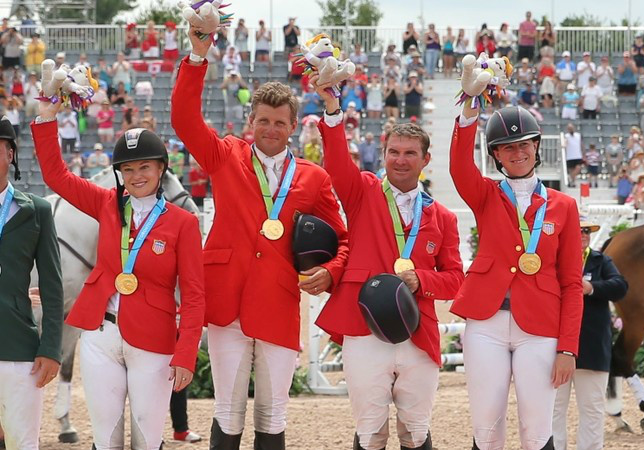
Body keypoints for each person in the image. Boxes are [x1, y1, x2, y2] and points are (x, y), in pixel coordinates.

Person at [171, 27, 349, 449]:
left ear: (292, 127)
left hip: (279, 298)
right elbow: (183, 120)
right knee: (227, 411)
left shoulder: (313, 177)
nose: (271, 129)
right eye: (263, 121)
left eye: (279, 123)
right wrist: (197, 57)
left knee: (273, 413)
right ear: (251, 122)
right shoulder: (225, 153)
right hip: (226, 301)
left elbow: (344, 239)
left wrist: (330, 270)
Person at [33, 101, 205, 449]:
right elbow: (56, 175)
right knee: (105, 436)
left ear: (161, 170)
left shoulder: (183, 223)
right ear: (119, 174)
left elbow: (194, 294)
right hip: (101, 335)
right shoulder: (106, 204)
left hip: (154, 340)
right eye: (128, 169)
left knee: (146, 437)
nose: (136, 175)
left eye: (145, 167)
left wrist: (186, 353)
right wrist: (48, 116)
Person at [314, 74, 463, 450]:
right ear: (383, 154)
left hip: (418, 327)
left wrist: (422, 280)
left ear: (425, 159)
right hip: (364, 325)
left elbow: (456, 278)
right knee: (371, 430)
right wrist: (333, 110)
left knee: (415, 430)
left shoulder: (443, 216)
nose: (400, 160)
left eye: (410, 153)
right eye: (394, 152)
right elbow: (336, 162)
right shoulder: (361, 191)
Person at [450, 97, 582, 450]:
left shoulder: (564, 206)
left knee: (537, 432)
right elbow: (459, 167)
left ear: (536, 146)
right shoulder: (486, 195)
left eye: (523, 145)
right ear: (496, 155)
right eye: (506, 148)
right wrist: (467, 115)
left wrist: (567, 348)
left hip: (539, 328)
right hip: (486, 324)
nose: (516, 153)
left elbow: (571, 284)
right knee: (486, 428)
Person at [0, 116, 63, 450]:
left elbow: (53, 286)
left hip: (19, 349)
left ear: (10, 153)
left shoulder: (38, 211)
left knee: (23, 443)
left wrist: (51, 348)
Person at [552, 218, 628, 450]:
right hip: (557, 346)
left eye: (587, 231)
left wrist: (592, 288)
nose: (584, 234)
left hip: (593, 346)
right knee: (553, 410)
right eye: (579, 230)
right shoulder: (553, 260)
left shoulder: (600, 260)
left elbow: (621, 286)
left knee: (592, 410)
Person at [564, 123, 583, 188]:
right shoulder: (566, 136)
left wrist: (583, 153)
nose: (570, 129)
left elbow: (581, 144)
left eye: (571, 128)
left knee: (578, 168)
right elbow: (565, 143)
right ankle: (573, 182)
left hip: (578, 155)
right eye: (569, 128)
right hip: (570, 156)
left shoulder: (578, 135)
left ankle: (570, 179)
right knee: (571, 170)